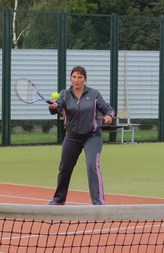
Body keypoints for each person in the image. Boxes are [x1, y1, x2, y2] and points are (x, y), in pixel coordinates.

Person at [47, 66, 114, 206]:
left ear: (85, 79)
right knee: (64, 167)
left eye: (80, 77)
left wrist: (108, 116)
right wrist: (52, 107)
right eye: (74, 77)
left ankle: (98, 203)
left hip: (92, 136)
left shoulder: (94, 94)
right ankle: (59, 199)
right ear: (70, 78)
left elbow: (108, 109)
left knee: (92, 166)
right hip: (72, 137)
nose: (76, 80)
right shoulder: (64, 94)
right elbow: (57, 108)